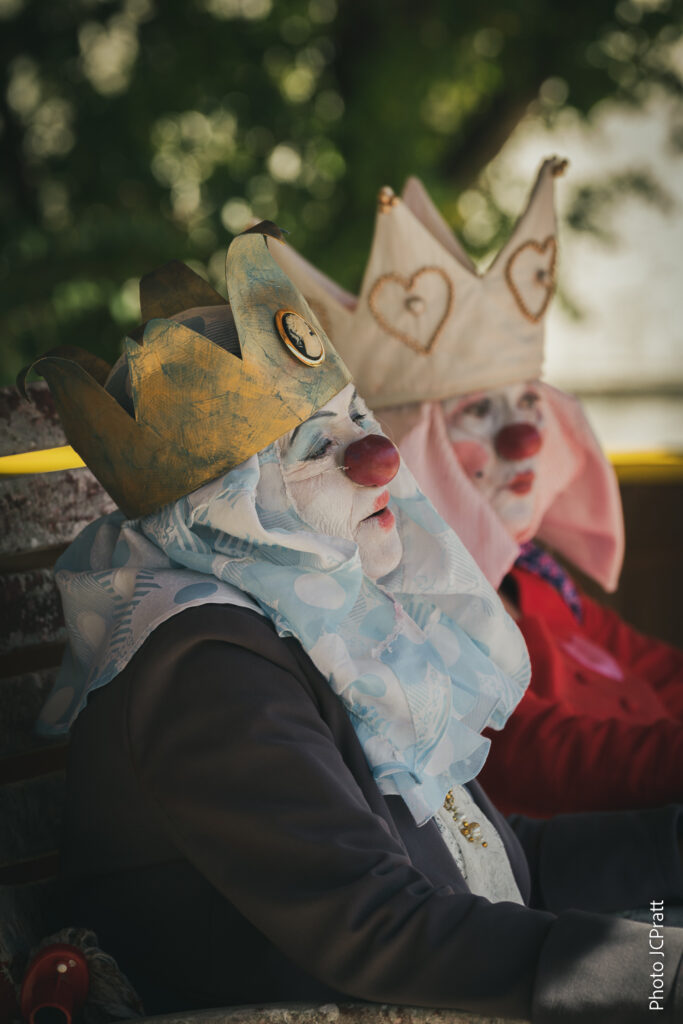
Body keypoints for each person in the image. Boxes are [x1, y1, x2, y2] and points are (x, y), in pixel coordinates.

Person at [24, 224, 683, 1021]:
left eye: (355, 418)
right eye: (314, 446)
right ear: (230, 507)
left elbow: (498, 870)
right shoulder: (203, 669)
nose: (379, 459)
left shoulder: (326, 625)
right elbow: (375, 927)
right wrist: (651, 972)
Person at [270, 160, 683, 818]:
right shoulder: (407, 605)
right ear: (412, 445)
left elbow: (651, 669)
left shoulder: (535, 578)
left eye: (526, 404)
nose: (525, 440)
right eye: (478, 414)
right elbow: (526, 756)